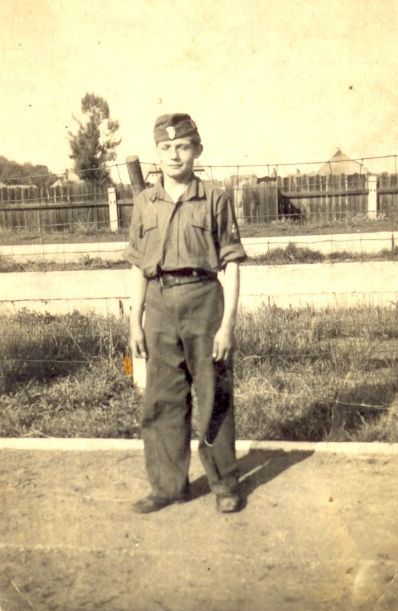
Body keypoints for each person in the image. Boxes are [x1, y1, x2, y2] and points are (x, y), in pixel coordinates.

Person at [123, 113, 247, 513]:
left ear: (197, 150)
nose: (174, 155)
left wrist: (227, 325)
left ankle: (224, 484)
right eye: (166, 147)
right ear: (157, 153)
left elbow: (231, 263)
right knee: (162, 398)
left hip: (204, 301)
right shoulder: (145, 202)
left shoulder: (214, 198)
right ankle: (167, 486)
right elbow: (138, 267)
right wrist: (135, 322)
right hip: (159, 305)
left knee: (214, 395)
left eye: (182, 146)